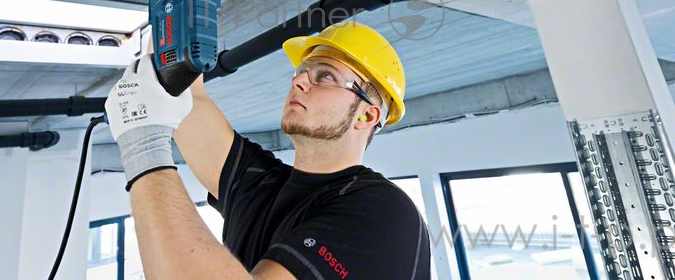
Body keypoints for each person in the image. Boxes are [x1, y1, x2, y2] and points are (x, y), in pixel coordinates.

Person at [105, 21, 431, 279]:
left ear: (367, 116)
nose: (298, 82)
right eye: (301, 72)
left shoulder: (384, 214)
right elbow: (189, 95)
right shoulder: (260, 185)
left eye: (326, 75)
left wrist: (142, 145)